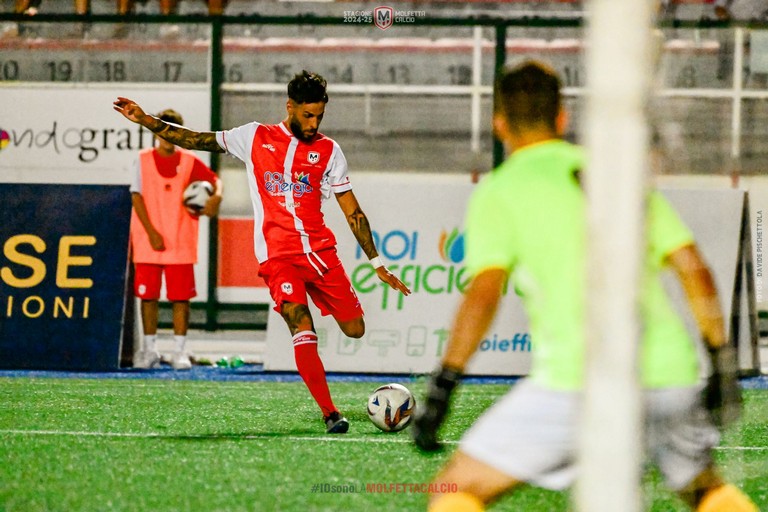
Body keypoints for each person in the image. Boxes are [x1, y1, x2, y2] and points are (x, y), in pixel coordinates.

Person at [411, 61, 756, 512]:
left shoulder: (499, 191)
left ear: (499, 124)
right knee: (703, 489)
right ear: (561, 118)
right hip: (668, 373)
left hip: (578, 381)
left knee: (458, 488)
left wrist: (445, 384)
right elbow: (694, 268)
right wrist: (720, 360)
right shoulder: (614, 175)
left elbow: (484, 293)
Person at [113, 71, 411, 433]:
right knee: (302, 327)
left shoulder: (330, 151)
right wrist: (146, 120)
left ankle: (330, 397)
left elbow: (353, 211)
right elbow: (196, 139)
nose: (314, 123)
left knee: (355, 328)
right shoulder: (254, 136)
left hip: (320, 254)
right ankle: (330, 413)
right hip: (278, 258)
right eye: (307, 115)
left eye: (319, 116)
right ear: (290, 107)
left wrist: (377, 263)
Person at [129, 108, 222, 371]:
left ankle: (179, 351)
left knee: (181, 299)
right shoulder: (143, 159)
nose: (168, 136)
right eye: (162, 130)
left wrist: (216, 197)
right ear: (155, 132)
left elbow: (216, 182)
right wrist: (151, 232)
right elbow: (136, 196)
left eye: (173, 132)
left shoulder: (190, 161)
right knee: (148, 298)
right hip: (149, 242)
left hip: (180, 241)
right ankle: (148, 350)